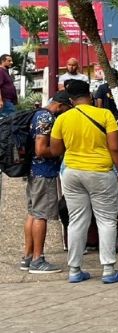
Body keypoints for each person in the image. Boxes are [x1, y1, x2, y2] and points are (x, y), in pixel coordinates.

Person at [50, 80, 118, 284]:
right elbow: (114, 147)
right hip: (100, 172)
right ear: (91, 95)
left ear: (70, 99)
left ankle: (75, 270)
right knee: (106, 220)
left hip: (72, 172)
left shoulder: (62, 118)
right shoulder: (105, 115)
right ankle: (109, 270)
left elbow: (56, 150)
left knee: (76, 220)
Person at [21, 91, 73, 274]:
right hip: (44, 172)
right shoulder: (47, 118)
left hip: (34, 171)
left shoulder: (37, 114)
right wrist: (59, 151)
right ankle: (37, 260)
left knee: (33, 213)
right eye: (67, 109)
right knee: (41, 215)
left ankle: (27, 257)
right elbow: (41, 149)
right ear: (61, 105)